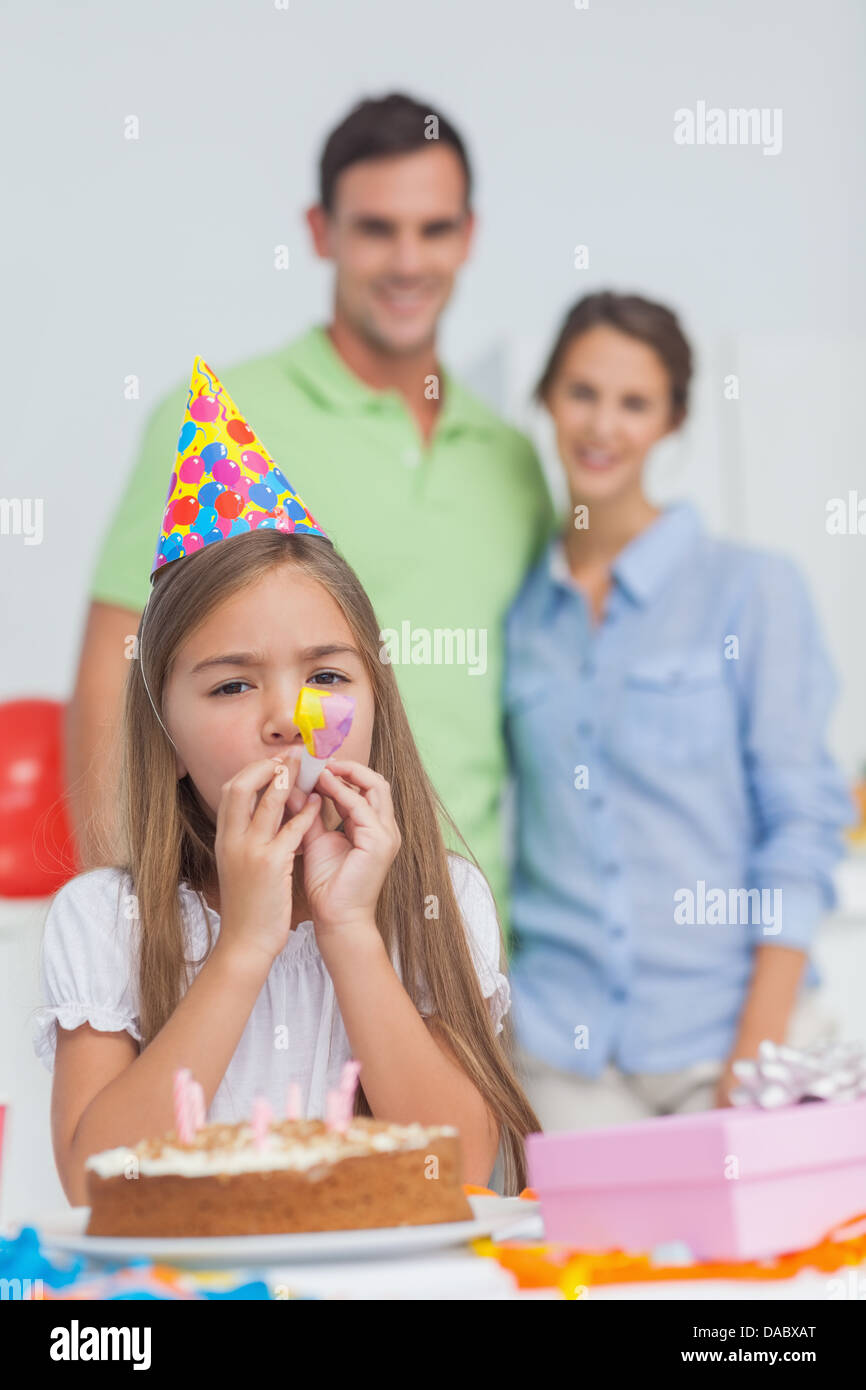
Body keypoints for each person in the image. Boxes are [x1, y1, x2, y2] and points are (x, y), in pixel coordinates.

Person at [32, 362, 541, 1205]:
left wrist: (347, 929)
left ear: (379, 695)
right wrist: (243, 948)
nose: (286, 720)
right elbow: (97, 1186)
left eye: (327, 677)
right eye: (232, 685)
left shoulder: (442, 904)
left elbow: (455, 1173)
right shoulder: (105, 920)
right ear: (165, 732)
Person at [67, 92, 555, 941]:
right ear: (322, 231)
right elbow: (116, 681)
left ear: (468, 238)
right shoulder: (216, 415)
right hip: (251, 930)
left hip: (459, 934)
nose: (408, 259)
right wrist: (135, 936)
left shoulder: (511, 462)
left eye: (434, 229)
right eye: (376, 228)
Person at [503, 291, 857, 1131]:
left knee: (769, 1261)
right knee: (576, 1260)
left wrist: (756, 1054)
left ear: (672, 422)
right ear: (548, 398)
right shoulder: (520, 614)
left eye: (636, 403)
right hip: (564, 1052)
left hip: (730, 1042)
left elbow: (801, 825)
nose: (603, 426)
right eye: (583, 392)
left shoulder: (750, 590)